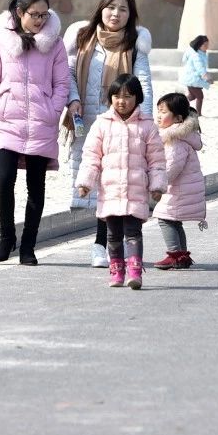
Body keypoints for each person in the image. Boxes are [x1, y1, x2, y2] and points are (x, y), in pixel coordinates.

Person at [0, 0, 70, 266]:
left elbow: (62, 83)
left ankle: (28, 245)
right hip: (6, 122)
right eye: (34, 15)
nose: (40, 20)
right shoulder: (0, 42)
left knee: (36, 187)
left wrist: (52, 111)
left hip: (41, 123)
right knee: (4, 181)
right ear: (19, 13)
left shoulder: (55, 43)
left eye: (44, 15)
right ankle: (7, 237)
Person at [64, 0, 154, 267]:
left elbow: (143, 83)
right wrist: (73, 100)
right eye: (111, 7)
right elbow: (66, 73)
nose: (116, 14)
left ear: (131, 15)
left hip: (122, 124)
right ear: (101, 8)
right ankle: (112, 244)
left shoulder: (134, 43)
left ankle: (102, 245)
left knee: (115, 184)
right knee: (98, 182)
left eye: (123, 9)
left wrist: (144, 120)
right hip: (87, 122)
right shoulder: (82, 39)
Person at [75, 74, 165, 289]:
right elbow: (91, 156)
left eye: (127, 96)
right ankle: (116, 271)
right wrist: (86, 183)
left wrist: (157, 185)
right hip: (110, 191)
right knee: (113, 235)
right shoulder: (101, 124)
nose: (121, 101)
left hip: (136, 190)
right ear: (110, 98)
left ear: (137, 98)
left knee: (133, 232)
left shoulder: (147, 126)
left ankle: (135, 271)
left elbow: (157, 160)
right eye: (116, 96)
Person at [151, 93, 205, 270]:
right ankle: (182, 256)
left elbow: (172, 168)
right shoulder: (181, 137)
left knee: (165, 219)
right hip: (181, 190)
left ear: (178, 118)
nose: (159, 115)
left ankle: (175, 255)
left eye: (164, 112)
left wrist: (157, 182)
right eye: (158, 111)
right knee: (174, 221)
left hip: (177, 191)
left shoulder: (175, 141)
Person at [180, 35, 211, 115]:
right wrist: (206, 76)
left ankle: (179, 103)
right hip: (192, 79)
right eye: (205, 45)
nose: (207, 46)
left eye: (207, 44)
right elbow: (200, 67)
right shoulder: (197, 55)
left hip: (192, 79)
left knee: (192, 96)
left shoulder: (200, 53)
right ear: (199, 45)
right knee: (200, 96)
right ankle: (198, 114)